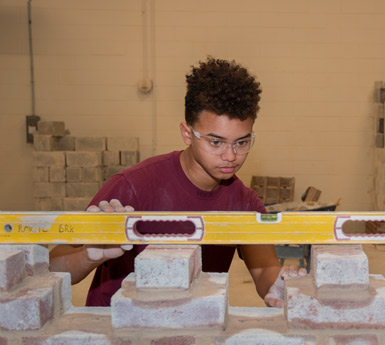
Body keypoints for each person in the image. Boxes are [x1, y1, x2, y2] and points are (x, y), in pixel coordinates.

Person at [49, 57, 303, 308]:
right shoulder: (132, 186)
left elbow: (263, 270)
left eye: (242, 142)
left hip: (190, 331)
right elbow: (55, 264)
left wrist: (277, 284)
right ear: (186, 133)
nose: (230, 156)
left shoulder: (244, 203)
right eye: (216, 142)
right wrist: (89, 255)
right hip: (119, 332)